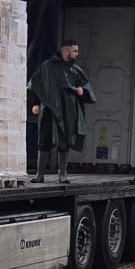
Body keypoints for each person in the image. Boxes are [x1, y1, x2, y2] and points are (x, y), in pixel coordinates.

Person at [29, 38, 95, 181]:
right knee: (44, 140)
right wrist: (35, 103)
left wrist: (81, 91)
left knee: (65, 142)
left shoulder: (75, 70)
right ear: (66, 51)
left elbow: (86, 88)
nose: (77, 54)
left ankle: (63, 175)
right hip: (50, 110)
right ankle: (39, 175)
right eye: (74, 51)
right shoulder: (48, 66)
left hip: (67, 111)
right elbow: (37, 84)